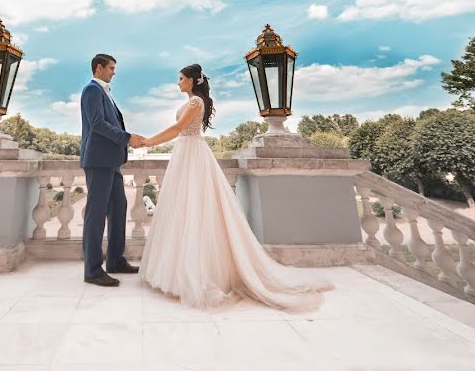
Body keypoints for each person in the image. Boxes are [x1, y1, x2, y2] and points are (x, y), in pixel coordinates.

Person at [138, 63, 333, 311]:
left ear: (192, 80)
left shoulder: (196, 102)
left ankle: (198, 275)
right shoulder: (193, 101)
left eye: (180, 79)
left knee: (196, 207)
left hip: (192, 154)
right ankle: (179, 272)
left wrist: (148, 142)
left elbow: (178, 129)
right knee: (183, 208)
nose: (177, 83)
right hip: (186, 154)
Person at [79, 53, 145, 287]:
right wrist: (128, 138)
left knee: (119, 208)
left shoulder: (105, 93)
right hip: (98, 161)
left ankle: (115, 260)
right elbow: (97, 124)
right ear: (99, 68)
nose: (114, 72)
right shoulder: (92, 91)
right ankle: (92, 270)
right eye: (111, 68)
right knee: (95, 216)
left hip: (112, 162)